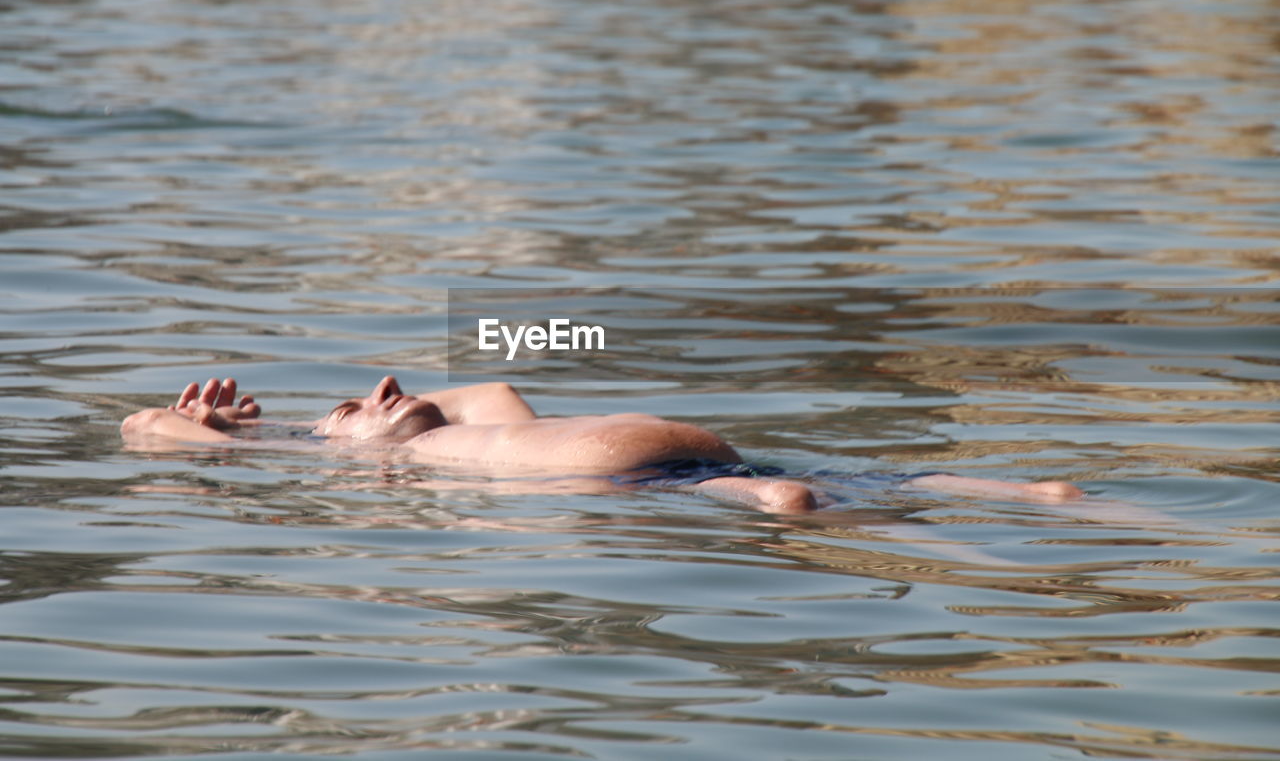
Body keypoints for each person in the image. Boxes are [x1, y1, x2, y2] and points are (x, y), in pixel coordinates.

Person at [121, 375, 1085, 512]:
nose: (384, 388)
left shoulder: (477, 417)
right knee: (781, 495)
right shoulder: (346, 459)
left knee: (915, 479)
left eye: (386, 382)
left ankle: (1038, 496)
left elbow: (488, 377)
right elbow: (140, 430)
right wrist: (217, 425)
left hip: (694, 460)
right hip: (658, 476)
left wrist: (398, 403)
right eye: (358, 399)